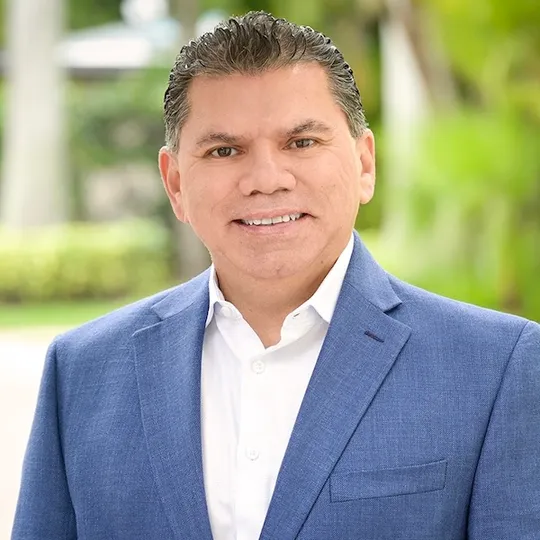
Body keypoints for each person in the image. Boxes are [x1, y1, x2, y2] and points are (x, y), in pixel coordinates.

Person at [12, 11, 540, 540]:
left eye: (301, 142)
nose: (266, 179)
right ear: (175, 184)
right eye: (224, 150)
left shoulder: (497, 367)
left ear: (364, 164)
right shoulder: (82, 371)